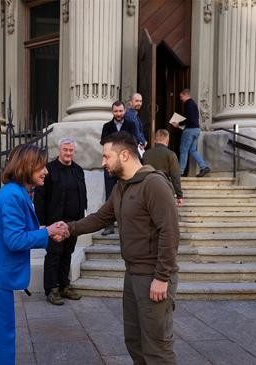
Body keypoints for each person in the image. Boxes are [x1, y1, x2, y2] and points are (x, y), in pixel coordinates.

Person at [66, 131, 180, 364]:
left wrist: (162, 277)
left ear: (125, 155)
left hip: (153, 277)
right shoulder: (121, 187)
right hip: (133, 274)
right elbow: (100, 218)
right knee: (135, 341)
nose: (103, 162)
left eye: (107, 157)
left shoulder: (154, 184)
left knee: (157, 347)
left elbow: (170, 232)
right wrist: (69, 228)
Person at [0, 144, 68, 364]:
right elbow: (14, 240)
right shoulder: (13, 195)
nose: (46, 171)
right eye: (41, 166)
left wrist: (46, 230)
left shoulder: (16, 192)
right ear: (28, 166)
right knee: (4, 337)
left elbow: (18, 232)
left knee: (2, 334)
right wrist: (49, 232)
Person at [34, 137, 88, 305]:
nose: (68, 153)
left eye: (71, 150)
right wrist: (42, 223)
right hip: (54, 222)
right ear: (59, 150)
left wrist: (82, 217)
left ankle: (64, 285)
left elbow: (83, 194)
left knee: (67, 254)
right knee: (54, 254)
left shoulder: (78, 170)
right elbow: (40, 198)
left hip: (73, 223)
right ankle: (51, 289)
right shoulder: (49, 169)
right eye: (65, 150)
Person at [100, 100, 140, 235]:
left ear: (124, 111)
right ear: (112, 112)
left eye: (120, 111)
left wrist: (115, 141)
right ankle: (109, 225)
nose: (118, 114)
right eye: (116, 111)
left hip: (126, 164)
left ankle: (130, 224)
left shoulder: (131, 124)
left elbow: (134, 141)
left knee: (131, 194)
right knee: (110, 194)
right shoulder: (106, 126)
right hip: (111, 165)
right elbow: (104, 142)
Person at [143, 129, 185, 207]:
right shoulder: (171, 154)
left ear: (155, 140)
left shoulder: (146, 154)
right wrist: (179, 195)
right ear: (167, 140)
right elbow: (175, 176)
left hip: (147, 189)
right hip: (164, 188)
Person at [178, 89, 210, 177]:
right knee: (193, 150)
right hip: (196, 130)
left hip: (189, 130)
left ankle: (180, 172)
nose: (181, 99)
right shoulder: (194, 104)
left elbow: (190, 119)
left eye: (181, 97)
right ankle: (204, 167)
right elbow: (193, 119)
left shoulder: (188, 104)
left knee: (183, 150)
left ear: (185, 95)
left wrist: (178, 123)